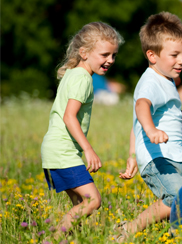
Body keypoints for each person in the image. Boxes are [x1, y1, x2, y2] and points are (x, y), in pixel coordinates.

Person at [117, 12, 182, 238]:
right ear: (152, 55)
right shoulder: (151, 82)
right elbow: (141, 107)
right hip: (158, 159)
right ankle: (131, 229)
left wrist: (132, 155)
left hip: (179, 158)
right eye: (175, 55)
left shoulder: (166, 80)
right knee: (177, 199)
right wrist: (152, 131)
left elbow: (137, 123)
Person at [41, 22, 124, 238]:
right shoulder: (83, 79)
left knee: (79, 204)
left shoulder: (73, 73)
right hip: (63, 151)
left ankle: (70, 240)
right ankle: (52, 240)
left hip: (55, 149)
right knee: (93, 200)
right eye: (105, 54)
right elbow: (70, 116)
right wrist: (88, 149)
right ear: (84, 53)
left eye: (114, 55)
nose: (110, 61)